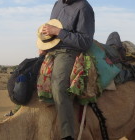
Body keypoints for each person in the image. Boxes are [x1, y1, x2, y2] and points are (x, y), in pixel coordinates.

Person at [39, 0, 95, 139]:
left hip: (69, 51)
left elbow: (85, 41)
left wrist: (58, 32)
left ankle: (67, 134)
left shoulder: (84, 8)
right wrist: (45, 43)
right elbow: (51, 31)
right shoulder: (57, 4)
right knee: (26, 73)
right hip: (51, 50)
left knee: (58, 87)